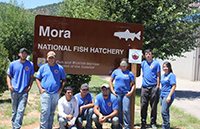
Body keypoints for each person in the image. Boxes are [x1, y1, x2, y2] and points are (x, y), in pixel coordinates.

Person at [36, 51, 66, 129]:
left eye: (52, 58)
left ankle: (49, 127)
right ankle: (43, 127)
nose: (51, 59)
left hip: (55, 94)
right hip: (45, 93)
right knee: (45, 111)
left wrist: (60, 90)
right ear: (47, 58)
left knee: (52, 112)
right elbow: (37, 79)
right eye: (49, 58)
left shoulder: (59, 68)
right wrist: (41, 89)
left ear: (55, 58)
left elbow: (64, 80)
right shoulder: (43, 67)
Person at [6, 48, 34, 129]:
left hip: (24, 92)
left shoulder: (30, 64)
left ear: (27, 55)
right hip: (14, 91)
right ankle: (14, 125)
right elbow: (8, 76)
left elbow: (32, 77)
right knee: (14, 111)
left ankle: (16, 127)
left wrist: (29, 87)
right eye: (22, 53)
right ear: (19, 54)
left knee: (21, 111)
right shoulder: (13, 64)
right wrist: (9, 86)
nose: (24, 55)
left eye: (25, 53)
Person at [109, 58, 136, 129]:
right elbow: (111, 81)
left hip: (126, 94)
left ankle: (127, 126)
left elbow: (133, 84)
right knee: (119, 110)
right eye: (122, 64)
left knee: (126, 110)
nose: (123, 65)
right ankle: (119, 125)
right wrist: (112, 90)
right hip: (117, 93)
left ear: (127, 65)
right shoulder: (116, 72)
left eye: (124, 64)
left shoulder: (130, 73)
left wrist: (131, 92)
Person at [140, 49, 161, 129]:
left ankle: (153, 123)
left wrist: (158, 86)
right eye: (146, 54)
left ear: (152, 55)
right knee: (143, 105)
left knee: (153, 106)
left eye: (149, 54)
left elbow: (158, 75)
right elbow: (135, 63)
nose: (148, 55)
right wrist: (139, 56)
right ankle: (143, 122)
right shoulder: (143, 63)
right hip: (145, 87)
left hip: (153, 87)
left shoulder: (156, 64)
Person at [160, 61, 176, 129]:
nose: (165, 68)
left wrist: (169, 96)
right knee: (166, 111)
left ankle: (165, 125)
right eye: (164, 67)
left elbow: (174, 86)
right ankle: (167, 126)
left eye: (166, 66)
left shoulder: (171, 75)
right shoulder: (163, 75)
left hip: (168, 95)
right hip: (162, 95)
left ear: (169, 67)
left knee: (163, 111)